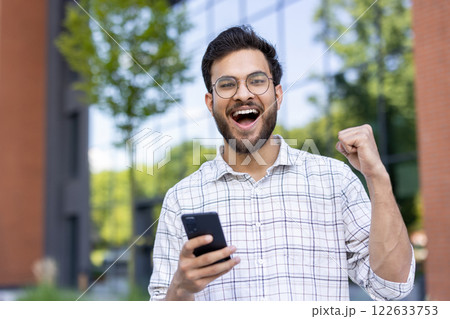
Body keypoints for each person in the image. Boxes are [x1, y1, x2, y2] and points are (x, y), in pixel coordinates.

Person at [148, 26, 415, 301]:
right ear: (210, 101)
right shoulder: (181, 199)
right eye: (227, 84)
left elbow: (391, 288)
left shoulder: (335, 181)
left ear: (277, 95)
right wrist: (180, 289)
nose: (242, 94)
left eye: (256, 80)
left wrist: (377, 177)